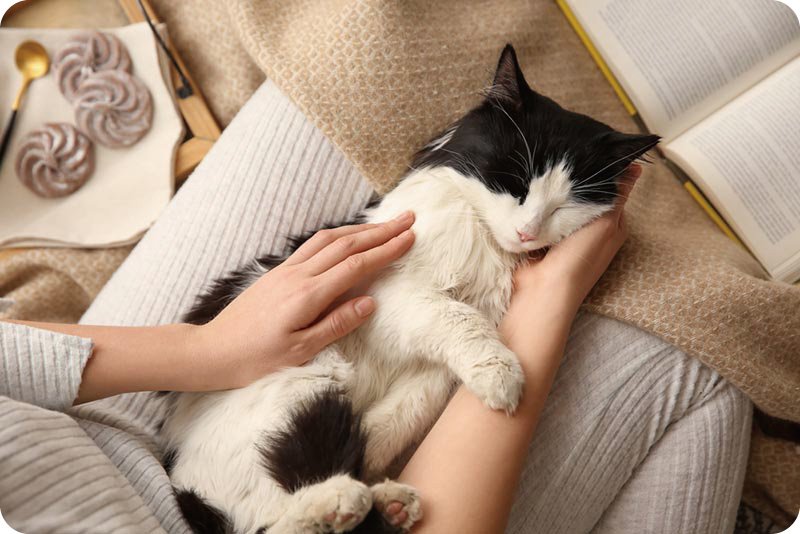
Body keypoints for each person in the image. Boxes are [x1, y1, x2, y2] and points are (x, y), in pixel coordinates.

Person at [0, 80, 751, 534]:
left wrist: (211, 349)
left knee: (332, 78)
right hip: (231, 494)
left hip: (114, 411)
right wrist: (542, 305)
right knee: (709, 365)